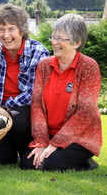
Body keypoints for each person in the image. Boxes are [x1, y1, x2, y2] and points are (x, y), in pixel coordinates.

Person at [20, 14, 102, 171]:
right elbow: (37, 104)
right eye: (53, 37)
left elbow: (86, 112)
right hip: (50, 134)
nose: (54, 42)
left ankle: (87, 163)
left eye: (60, 39)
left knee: (49, 164)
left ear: (76, 43)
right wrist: (42, 142)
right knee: (27, 163)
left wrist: (56, 143)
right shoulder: (43, 66)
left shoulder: (89, 67)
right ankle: (61, 156)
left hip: (79, 136)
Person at [0, 4, 50, 164]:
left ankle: (28, 149)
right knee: (0, 159)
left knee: (17, 118)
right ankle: (11, 151)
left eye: (11, 29)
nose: (6, 35)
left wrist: (6, 108)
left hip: (24, 112)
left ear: (22, 30)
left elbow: (35, 93)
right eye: (1, 29)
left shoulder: (38, 52)